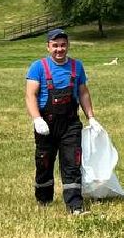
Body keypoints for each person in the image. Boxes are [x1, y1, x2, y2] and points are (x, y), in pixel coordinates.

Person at [24, 27, 100, 214]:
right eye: (55, 45)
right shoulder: (38, 67)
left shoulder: (77, 66)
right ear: (48, 47)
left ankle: (75, 206)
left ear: (68, 46)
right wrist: (37, 119)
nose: (59, 49)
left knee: (72, 163)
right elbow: (30, 95)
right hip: (46, 124)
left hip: (70, 123)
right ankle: (44, 200)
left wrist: (91, 118)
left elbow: (83, 93)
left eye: (63, 45)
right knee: (44, 162)